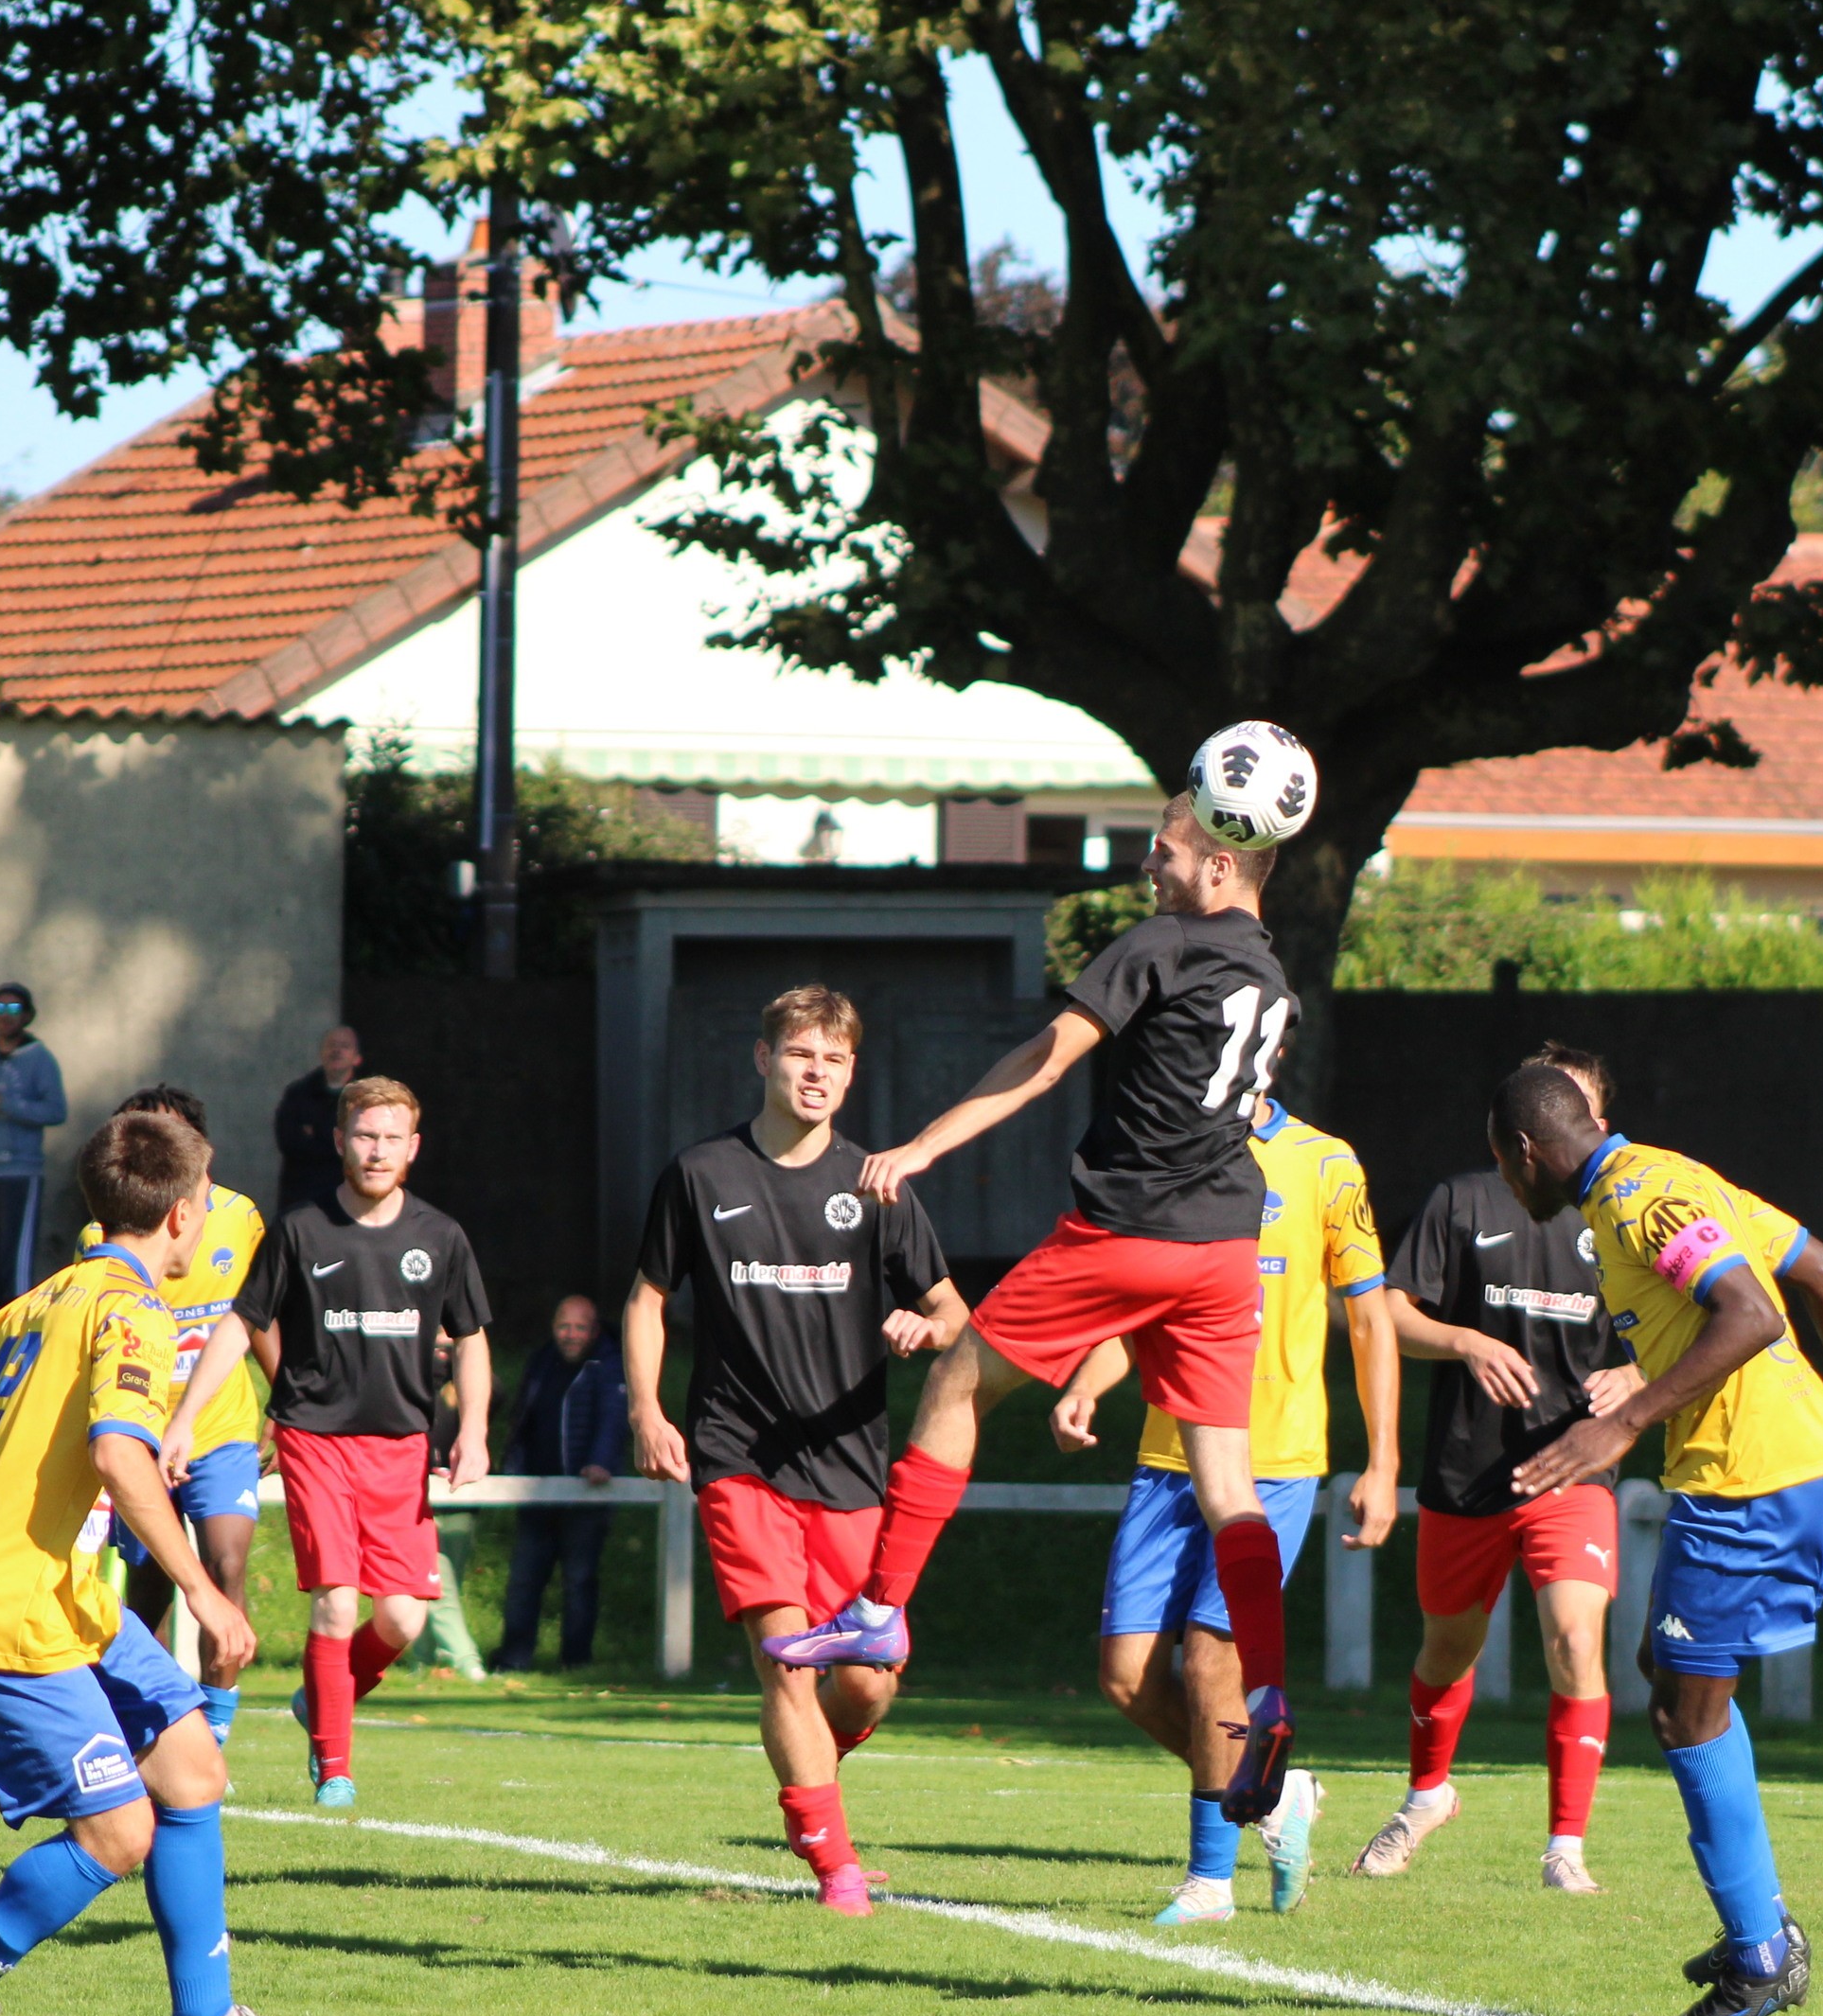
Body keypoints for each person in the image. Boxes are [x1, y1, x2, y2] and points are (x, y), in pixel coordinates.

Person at [767, 791, 1306, 1828]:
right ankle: (1270, 1688)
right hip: (1228, 1251)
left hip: (1127, 1232)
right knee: (1229, 1485)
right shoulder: (1270, 973)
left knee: (957, 1381)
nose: (1151, 861)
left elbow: (1044, 1057)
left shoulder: (1163, 943)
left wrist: (925, 1144)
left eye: (1167, 846)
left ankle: (879, 1612)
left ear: (1225, 861)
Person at [0, 1104, 345, 2016]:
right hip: (14, 1611)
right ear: (179, 1217)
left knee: (194, 1768)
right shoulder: (136, 1313)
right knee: (119, 1832)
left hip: (74, 1600)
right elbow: (121, 1456)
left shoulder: (28, 1306)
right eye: (202, 1206)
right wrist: (204, 1591)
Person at [1491, 1060, 1823, 2016]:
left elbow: (1756, 1313)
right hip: (1766, 1459)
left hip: (1753, 1472)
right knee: (1670, 1673)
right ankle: (1757, 1929)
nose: (1512, 1190)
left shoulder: (1643, 1200)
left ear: (1524, 1153)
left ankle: (1763, 1957)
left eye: (1505, 1169)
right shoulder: (1663, 1177)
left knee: (1686, 1708)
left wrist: (1623, 1421)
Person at [623, 985, 965, 1913]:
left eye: (836, 1059)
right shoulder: (701, 1174)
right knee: (785, 1658)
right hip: (738, 1453)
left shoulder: (878, 1184)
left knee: (866, 1682)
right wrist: (649, 1409)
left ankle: (812, 1783)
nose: (817, 1072)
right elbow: (650, 1297)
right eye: (802, 1054)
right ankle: (836, 1867)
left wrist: (921, 1328)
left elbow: (952, 1312)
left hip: (850, 1465)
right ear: (763, 1059)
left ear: (851, 1074)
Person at [1050, 1071, 1397, 1924]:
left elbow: (1369, 1318)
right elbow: (1140, 1307)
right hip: (1171, 1453)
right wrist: (1086, 1384)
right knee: (1126, 1677)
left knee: (1212, 1663)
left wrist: (1383, 1461)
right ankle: (1274, 1795)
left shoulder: (1326, 1163)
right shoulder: (1169, 1154)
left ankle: (1211, 1882)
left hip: (1272, 1462)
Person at [1355, 1045, 1645, 1891]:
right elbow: (1390, 1315)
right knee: (1447, 1647)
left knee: (1574, 1640)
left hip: (1573, 1474)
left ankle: (1566, 1848)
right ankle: (1427, 1796)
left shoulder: (1625, 1213)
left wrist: (1635, 1375)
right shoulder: (1464, 1200)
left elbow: (1684, 1328)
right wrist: (1466, 1340)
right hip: (1468, 1473)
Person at [164, 1076, 491, 1810]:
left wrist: (472, 1430)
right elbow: (240, 1324)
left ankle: (325, 1696)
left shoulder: (440, 1237)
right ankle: (334, 1766)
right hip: (316, 1437)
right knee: (338, 1604)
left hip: (403, 1447)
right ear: (341, 1141)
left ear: (414, 1148)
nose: (377, 1152)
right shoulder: (301, 1230)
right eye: (364, 1136)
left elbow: (470, 1339)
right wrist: (184, 1419)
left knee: (402, 1619)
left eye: (392, 1139)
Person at [79, 1086, 272, 1745]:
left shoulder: (241, 1219)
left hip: (220, 1430)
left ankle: (215, 1721)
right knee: (151, 1589)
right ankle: (154, 1723)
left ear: (201, 1150)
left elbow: (258, 1312)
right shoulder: (102, 1237)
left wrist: (286, 1403)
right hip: (141, 1436)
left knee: (226, 1565)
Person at [502, 1293, 633, 1671]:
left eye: (579, 1327)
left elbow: (613, 1418)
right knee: (524, 1579)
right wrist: (514, 1468)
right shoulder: (541, 1363)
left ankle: (575, 1662)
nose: (570, 1334)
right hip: (537, 1496)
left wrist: (600, 1463)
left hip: (586, 1497)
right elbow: (522, 1422)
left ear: (593, 1330)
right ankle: (513, 1659)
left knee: (579, 1580)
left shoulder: (609, 1366)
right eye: (564, 1326)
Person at [0, 981, 69, 1302]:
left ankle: (19, 1325)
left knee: (15, 1256)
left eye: (13, 1010)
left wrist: (5, 1104)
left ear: (26, 1016)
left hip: (20, 1172)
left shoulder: (39, 1059)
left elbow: (56, 1111)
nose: (5, 1017)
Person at [273, 1026, 363, 1217]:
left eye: (344, 1046)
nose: (336, 1051)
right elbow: (289, 1141)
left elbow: (358, 1149)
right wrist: (335, 1141)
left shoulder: (365, 1098)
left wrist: (316, 1135)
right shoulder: (298, 1094)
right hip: (302, 1199)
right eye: (331, 1045)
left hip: (346, 1200)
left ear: (357, 1057)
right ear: (322, 1053)